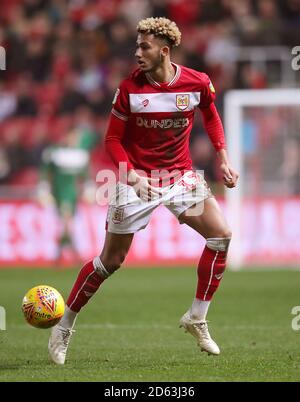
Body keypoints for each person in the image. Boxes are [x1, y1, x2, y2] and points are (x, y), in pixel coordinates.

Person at [48, 17, 239, 364]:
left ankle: (197, 317)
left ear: (164, 51)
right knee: (110, 262)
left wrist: (222, 157)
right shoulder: (129, 89)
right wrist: (133, 177)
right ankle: (64, 325)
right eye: (136, 45)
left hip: (180, 177)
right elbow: (112, 140)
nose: (137, 52)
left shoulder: (197, 82)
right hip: (136, 182)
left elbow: (210, 114)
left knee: (221, 236)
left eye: (144, 46)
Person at [39, 129, 90, 263]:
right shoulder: (55, 153)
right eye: (72, 137)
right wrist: (44, 188)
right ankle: (72, 253)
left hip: (73, 195)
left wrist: (87, 188)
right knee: (68, 223)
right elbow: (46, 172)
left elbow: (84, 175)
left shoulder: (79, 155)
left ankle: (60, 253)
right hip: (62, 193)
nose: (75, 140)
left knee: (68, 224)